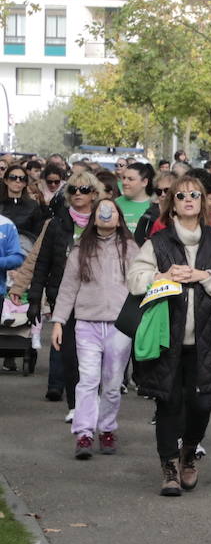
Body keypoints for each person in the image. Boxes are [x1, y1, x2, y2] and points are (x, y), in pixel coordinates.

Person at [128, 172, 211, 496]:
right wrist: (162, 275)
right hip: (168, 337)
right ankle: (169, 468)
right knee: (168, 401)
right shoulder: (158, 242)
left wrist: (203, 275)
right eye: (181, 196)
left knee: (202, 404)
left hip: (207, 338)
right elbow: (135, 278)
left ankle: (189, 452)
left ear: (203, 202)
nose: (188, 200)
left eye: (195, 195)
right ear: (172, 205)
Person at [50, 198, 135, 459]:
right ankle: (84, 433)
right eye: (101, 210)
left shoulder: (131, 248)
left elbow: (141, 284)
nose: (106, 214)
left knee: (112, 383)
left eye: (111, 210)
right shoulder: (80, 249)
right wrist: (58, 321)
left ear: (119, 218)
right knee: (87, 380)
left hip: (119, 326)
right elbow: (67, 288)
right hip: (86, 323)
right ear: (94, 217)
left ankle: (107, 428)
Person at [29, 171, 100, 414]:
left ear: (94, 194)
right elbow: (42, 263)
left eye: (84, 189)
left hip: (95, 301)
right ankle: (75, 405)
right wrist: (34, 300)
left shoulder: (103, 222)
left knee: (92, 359)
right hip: (63, 298)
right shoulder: (57, 224)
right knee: (70, 356)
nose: (77, 194)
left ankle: (91, 403)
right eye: (72, 190)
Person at [2, 163, 44, 238]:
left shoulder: (33, 206)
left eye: (22, 178)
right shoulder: (1, 204)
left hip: (26, 245)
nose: (17, 181)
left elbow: (38, 233)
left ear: (25, 183)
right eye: (13, 177)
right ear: (6, 181)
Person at [116, 162, 156, 236]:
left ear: (144, 182)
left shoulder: (154, 206)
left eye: (130, 179)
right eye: (124, 178)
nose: (124, 182)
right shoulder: (114, 204)